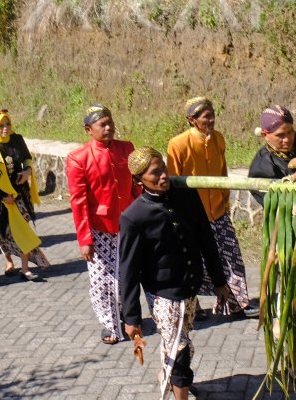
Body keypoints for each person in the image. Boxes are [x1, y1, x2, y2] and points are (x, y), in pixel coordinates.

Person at [119, 147, 232, 400]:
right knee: (179, 351)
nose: (163, 177)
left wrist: (219, 281)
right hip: (164, 296)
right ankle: (177, 386)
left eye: (164, 169)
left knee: (181, 343)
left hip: (189, 288)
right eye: (154, 173)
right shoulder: (133, 217)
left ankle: (169, 375)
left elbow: (206, 239)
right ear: (138, 181)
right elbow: (127, 270)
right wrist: (132, 318)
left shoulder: (186, 198)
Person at [165, 96, 252, 316]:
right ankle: (196, 307)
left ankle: (236, 303)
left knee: (232, 257)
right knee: (195, 262)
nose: (211, 120)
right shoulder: (178, 144)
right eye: (206, 117)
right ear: (192, 120)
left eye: (213, 115)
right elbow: (173, 181)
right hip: (193, 215)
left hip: (219, 212)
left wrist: (224, 199)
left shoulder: (219, 139)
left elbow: (222, 172)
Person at [66, 104, 140, 344]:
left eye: (110, 122)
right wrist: (85, 240)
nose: (109, 128)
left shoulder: (127, 148)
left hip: (128, 223)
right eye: (102, 124)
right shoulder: (78, 158)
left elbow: (136, 185)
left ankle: (129, 318)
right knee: (102, 278)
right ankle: (109, 325)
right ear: (89, 129)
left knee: (128, 274)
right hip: (100, 228)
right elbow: (79, 201)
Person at [0, 110, 50, 280]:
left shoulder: (17, 139)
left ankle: (25, 268)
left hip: (19, 193)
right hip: (1, 198)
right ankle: (8, 261)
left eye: (7, 124)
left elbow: (27, 158)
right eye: (0, 125)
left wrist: (28, 171)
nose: (5, 128)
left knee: (23, 228)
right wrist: (1, 196)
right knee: (3, 232)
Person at [247, 104, 296, 205]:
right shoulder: (262, 166)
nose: (287, 139)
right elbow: (275, 203)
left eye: (290, 132)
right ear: (265, 135)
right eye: (280, 135)